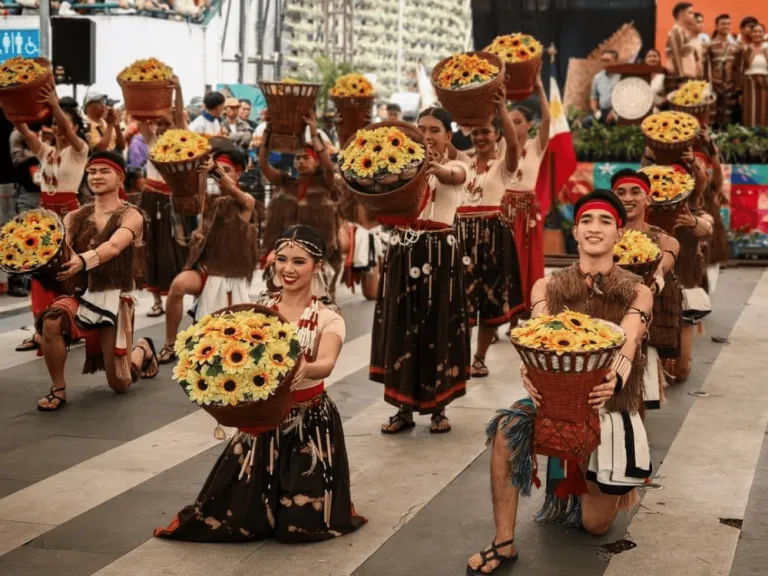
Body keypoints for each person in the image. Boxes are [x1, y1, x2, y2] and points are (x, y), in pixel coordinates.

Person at [466, 190, 653, 576]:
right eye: (587, 220)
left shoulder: (638, 289)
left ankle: (594, 484)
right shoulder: (546, 287)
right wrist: (529, 373)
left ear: (619, 234)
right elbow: (536, 333)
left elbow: (630, 334)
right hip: (553, 399)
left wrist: (615, 377)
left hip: (610, 404)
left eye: (605, 221)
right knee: (506, 429)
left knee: (594, 526)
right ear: (576, 231)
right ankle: (503, 541)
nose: (595, 228)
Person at [154, 224, 366, 543]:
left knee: (296, 529)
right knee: (236, 519)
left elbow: (327, 363)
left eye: (299, 261)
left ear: (317, 266)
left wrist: (307, 366)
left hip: (309, 422)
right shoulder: (258, 312)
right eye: (282, 259)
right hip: (263, 419)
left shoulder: (328, 317)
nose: (288, 269)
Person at [372, 107, 470, 435]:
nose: (427, 135)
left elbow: (452, 176)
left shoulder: (459, 164)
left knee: (437, 326)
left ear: (448, 135)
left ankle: (439, 408)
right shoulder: (403, 168)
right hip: (403, 250)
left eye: (435, 129)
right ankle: (403, 409)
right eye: (421, 129)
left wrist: (431, 165)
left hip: (439, 253)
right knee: (402, 327)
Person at [35, 151, 156, 411]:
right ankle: (58, 388)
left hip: (114, 298)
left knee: (119, 384)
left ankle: (142, 349)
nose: (97, 177)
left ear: (120, 177)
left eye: (104, 171)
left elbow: (113, 246)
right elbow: (61, 250)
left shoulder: (131, 215)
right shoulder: (74, 216)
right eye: (92, 172)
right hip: (81, 294)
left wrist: (83, 260)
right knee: (52, 320)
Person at [156, 146, 258, 364]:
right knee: (177, 286)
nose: (221, 172)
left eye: (227, 169)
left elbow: (236, 194)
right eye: (218, 168)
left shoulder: (246, 201)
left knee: (227, 340)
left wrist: (214, 171)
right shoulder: (209, 200)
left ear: (238, 173)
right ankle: (170, 344)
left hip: (227, 276)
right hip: (204, 270)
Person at [10, 87, 89, 353]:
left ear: (76, 125)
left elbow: (67, 131)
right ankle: (40, 329)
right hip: (46, 218)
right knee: (38, 274)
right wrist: (11, 106)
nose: (58, 127)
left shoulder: (79, 150)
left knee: (65, 274)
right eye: (55, 123)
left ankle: (68, 327)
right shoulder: (47, 152)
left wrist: (55, 105)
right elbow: (23, 131)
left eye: (65, 122)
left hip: (69, 216)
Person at [454, 86, 522, 379]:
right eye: (475, 134)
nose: (480, 138)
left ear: (497, 135)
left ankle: (480, 357)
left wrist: (502, 110)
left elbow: (516, 146)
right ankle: (461, 355)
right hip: (461, 235)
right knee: (460, 300)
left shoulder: (504, 167)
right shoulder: (462, 164)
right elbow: (439, 142)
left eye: (486, 132)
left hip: (493, 236)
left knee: (490, 300)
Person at [611, 169, 680, 408]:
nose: (627, 197)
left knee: (638, 395)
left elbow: (670, 250)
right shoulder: (605, 235)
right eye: (620, 192)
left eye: (635, 192)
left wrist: (658, 274)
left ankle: (636, 439)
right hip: (609, 321)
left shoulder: (660, 238)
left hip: (644, 324)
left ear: (648, 198)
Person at [259, 110, 341, 297]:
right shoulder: (286, 183)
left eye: (306, 158)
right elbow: (263, 165)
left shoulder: (326, 184)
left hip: (320, 255)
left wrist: (314, 133)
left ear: (316, 161)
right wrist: (267, 133)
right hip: (288, 254)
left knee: (318, 305)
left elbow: (328, 166)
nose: (300, 162)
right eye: (297, 158)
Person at [137, 76, 188, 319]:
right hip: (150, 199)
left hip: (170, 201)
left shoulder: (180, 141)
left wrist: (177, 89)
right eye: (160, 124)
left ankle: (173, 296)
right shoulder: (151, 140)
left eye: (168, 124)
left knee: (172, 248)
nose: (164, 127)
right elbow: (140, 118)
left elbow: (178, 116)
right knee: (151, 249)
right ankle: (156, 300)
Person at [504, 77, 551, 314]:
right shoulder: (500, 146)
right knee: (504, 262)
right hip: (503, 211)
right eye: (509, 121)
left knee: (527, 262)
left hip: (527, 211)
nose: (512, 126)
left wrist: (540, 89)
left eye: (518, 121)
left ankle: (522, 313)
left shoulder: (536, 145)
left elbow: (548, 118)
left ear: (529, 125)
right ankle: (502, 316)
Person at [705, 14, 744, 127]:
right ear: (716, 26)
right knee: (712, 114)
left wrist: (738, 87)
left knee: (728, 116)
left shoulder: (737, 46)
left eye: (728, 24)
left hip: (730, 86)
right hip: (714, 85)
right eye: (723, 24)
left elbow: (739, 68)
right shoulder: (709, 45)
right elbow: (706, 67)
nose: (726, 26)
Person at [665, 2, 702, 92]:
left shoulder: (684, 32)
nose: (693, 15)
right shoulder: (676, 32)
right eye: (690, 12)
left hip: (688, 79)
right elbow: (676, 56)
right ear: (681, 15)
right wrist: (681, 79)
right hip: (681, 81)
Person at [741, 23, 768, 127]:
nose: (757, 34)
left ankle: (764, 138)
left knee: (764, 110)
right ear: (751, 34)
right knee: (750, 110)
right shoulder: (745, 49)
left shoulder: (767, 48)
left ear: (764, 33)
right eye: (755, 31)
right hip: (749, 84)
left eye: (760, 31)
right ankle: (749, 138)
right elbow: (741, 69)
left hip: (765, 84)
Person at [589, 50, 620, 125]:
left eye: (607, 60)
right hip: (603, 112)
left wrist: (614, 113)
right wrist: (596, 111)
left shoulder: (622, 76)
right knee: (587, 123)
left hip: (619, 112)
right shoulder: (597, 77)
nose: (604, 63)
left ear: (616, 61)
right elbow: (593, 97)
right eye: (602, 60)